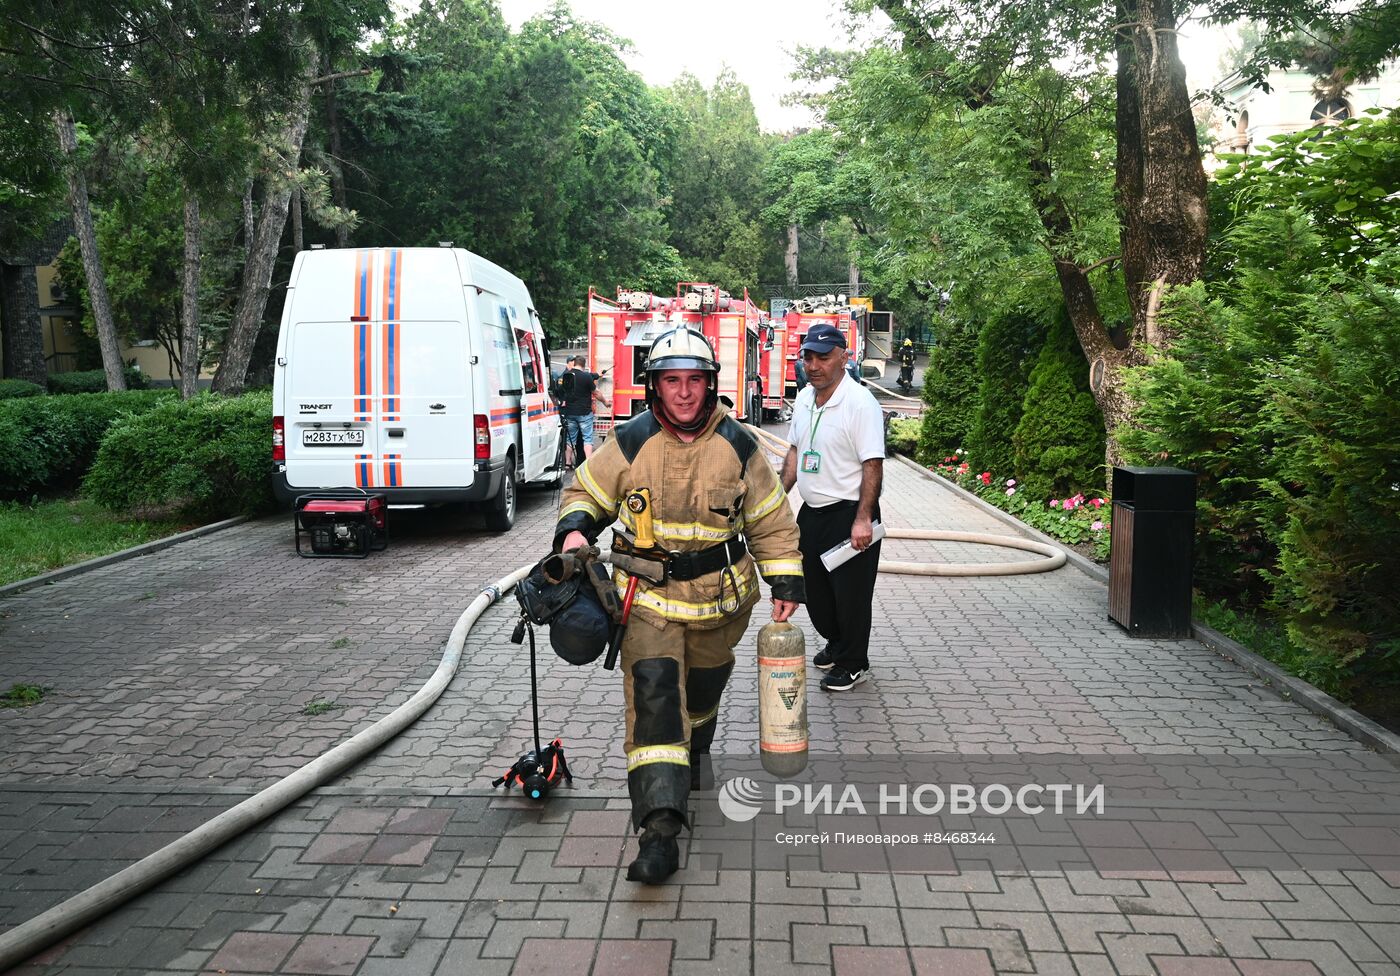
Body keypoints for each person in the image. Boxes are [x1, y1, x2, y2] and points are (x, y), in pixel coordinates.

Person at [555, 327, 804, 885]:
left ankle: (697, 750)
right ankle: (659, 829)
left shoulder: (740, 445)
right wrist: (575, 531)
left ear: (710, 384)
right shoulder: (631, 440)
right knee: (657, 698)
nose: (685, 394)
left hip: (722, 605)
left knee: (703, 694)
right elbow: (585, 492)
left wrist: (786, 581)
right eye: (673, 381)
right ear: (655, 387)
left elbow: (769, 518)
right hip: (648, 602)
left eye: (695, 381)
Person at [780, 322, 885, 693]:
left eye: (823, 357)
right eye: (808, 357)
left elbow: (873, 464)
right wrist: (779, 497)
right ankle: (838, 642)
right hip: (813, 512)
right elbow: (795, 451)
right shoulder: (806, 398)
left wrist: (863, 519)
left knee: (851, 596)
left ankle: (854, 661)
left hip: (849, 515)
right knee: (816, 592)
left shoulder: (860, 403)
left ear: (844, 357)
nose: (814, 365)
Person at [558, 355, 607, 464]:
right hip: (584, 414)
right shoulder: (586, 377)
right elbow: (596, 393)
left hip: (570, 413)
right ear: (584, 365)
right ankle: (588, 463)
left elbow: (561, 391)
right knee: (587, 439)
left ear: (574, 363)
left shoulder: (566, 375)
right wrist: (605, 402)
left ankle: (567, 463)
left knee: (570, 440)